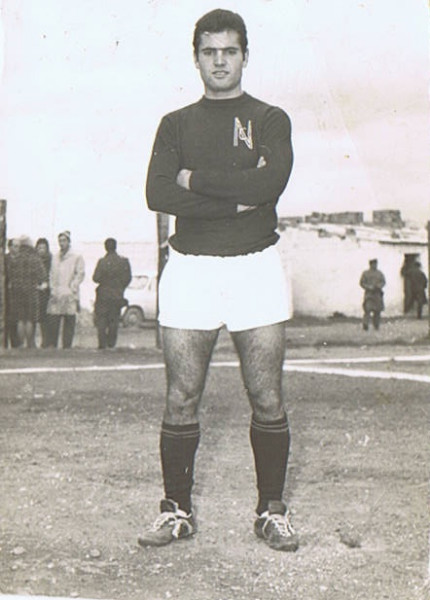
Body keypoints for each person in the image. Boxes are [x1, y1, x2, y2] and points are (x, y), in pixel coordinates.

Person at [138, 9, 298, 552]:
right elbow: (159, 193)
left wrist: (195, 181)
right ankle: (176, 510)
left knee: (267, 395)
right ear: (197, 58)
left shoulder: (270, 118)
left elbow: (271, 184)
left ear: (245, 56)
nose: (220, 61)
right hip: (191, 268)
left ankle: (271, 511)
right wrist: (235, 198)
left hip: (256, 265)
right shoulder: (176, 124)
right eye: (210, 52)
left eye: (230, 51)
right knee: (181, 395)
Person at [6, 236, 48, 348]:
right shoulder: (35, 259)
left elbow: (10, 276)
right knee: (30, 319)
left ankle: (21, 344)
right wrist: (39, 286)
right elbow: (43, 277)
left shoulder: (16, 259)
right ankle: (29, 344)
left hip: (17, 292)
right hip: (31, 292)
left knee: (20, 319)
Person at [46, 231, 85, 349]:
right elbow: (51, 274)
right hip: (56, 293)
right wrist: (52, 288)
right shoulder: (55, 257)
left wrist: (73, 287)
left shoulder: (76, 256)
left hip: (69, 292)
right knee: (54, 320)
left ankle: (67, 346)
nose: (61, 243)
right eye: (60, 241)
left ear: (69, 241)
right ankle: (53, 345)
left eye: (64, 240)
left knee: (69, 320)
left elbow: (80, 274)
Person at [92, 238, 132, 349]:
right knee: (114, 320)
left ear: (105, 247)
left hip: (103, 295)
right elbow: (128, 278)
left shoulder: (102, 262)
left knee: (102, 320)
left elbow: (95, 278)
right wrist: (120, 287)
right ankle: (111, 343)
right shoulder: (123, 261)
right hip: (117, 295)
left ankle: (102, 344)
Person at [35, 238, 52, 347]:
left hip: (47, 291)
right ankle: (40, 341)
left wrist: (47, 284)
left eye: (43, 248)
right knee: (39, 317)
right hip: (36, 290)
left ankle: (47, 341)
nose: (41, 250)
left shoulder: (51, 260)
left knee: (47, 317)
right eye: (39, 248)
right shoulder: (34, 260)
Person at [359, 258, 386, 330]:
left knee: (377, 311)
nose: (375, 265)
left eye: (376, 264)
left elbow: (383, 282)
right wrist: (368, 287)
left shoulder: (380, 273)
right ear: (370, 265)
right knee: (367, 310)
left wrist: (379, 286)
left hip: (377, 294)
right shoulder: (365, 273)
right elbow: (362, 283)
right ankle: (365, 325)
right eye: (373, 264)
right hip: (369, 295)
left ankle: (376, 325)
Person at [4, 238, 21, 348]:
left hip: (17, 293)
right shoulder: (5, 259)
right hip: (6, 293)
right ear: (9, 247)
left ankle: (15, 344)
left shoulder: (21, 260)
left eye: (18, 246)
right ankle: (4, 344)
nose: (17, 249)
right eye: (15, 246)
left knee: (15, 319)